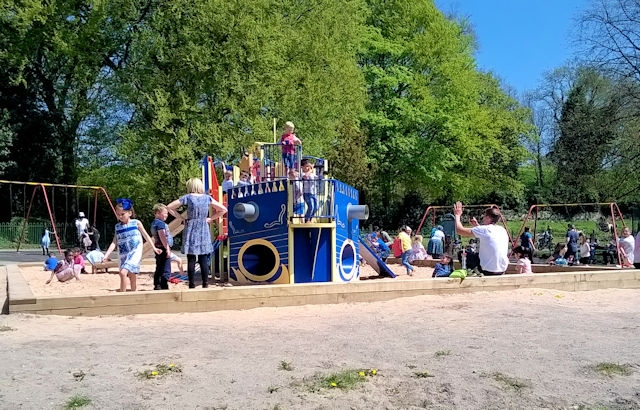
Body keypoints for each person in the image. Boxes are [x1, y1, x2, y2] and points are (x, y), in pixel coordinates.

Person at [167, 178, 228, 289]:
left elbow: (169, 207)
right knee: (203, 258)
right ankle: (205, 284)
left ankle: (191, 284)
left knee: (191, 258)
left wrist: (181, 217)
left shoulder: (188, 197)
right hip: (203, 228)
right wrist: (210, 218)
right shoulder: (207, 198)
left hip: (190, 227)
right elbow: (223, 209)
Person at [103, 198, 160, 292]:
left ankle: (123, 294)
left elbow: (146, 235)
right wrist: (106, 255)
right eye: (118, 214)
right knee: (131, 274)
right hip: (123, 253)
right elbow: (114, 242)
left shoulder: (136, 223)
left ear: (129, 213)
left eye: (122, 214)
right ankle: (133, 291)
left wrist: (154, 248)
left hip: (135, 252)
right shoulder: (117, 226)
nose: (120, 216)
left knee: (122, 273)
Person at [453, 202, 509, 276]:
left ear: (488, 218)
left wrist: (457, 215)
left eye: (484, 216)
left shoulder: (484, 230)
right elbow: (488, 236)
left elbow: (459, 230)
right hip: (502, 269)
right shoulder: (502, 229)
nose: (483, 218)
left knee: (462, 254)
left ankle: (472, 272)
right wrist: (477, 225)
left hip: (487, 270)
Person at [151, 203, 173, 290]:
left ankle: (157, 284)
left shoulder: (154, 223)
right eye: (165, 213)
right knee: (166, 268)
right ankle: (164, 284)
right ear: (158, 213)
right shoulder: (160, 224)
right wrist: (167, 248)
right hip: (163, 247)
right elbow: (162, 236)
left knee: (159, 266)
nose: (166, 215)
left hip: (158, 247)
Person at [300, 158, 318, 223]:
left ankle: (309, 219)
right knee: (311, 206)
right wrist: (311, 169)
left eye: (308, 166)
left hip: (313, 192)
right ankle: (307, 219)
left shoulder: (311, 174)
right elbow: (305, 177)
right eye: (306, 166)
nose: (308, 168)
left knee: (316, 207)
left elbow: (317, 178)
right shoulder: (302, 173)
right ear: (302, 167)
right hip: (307, 193)